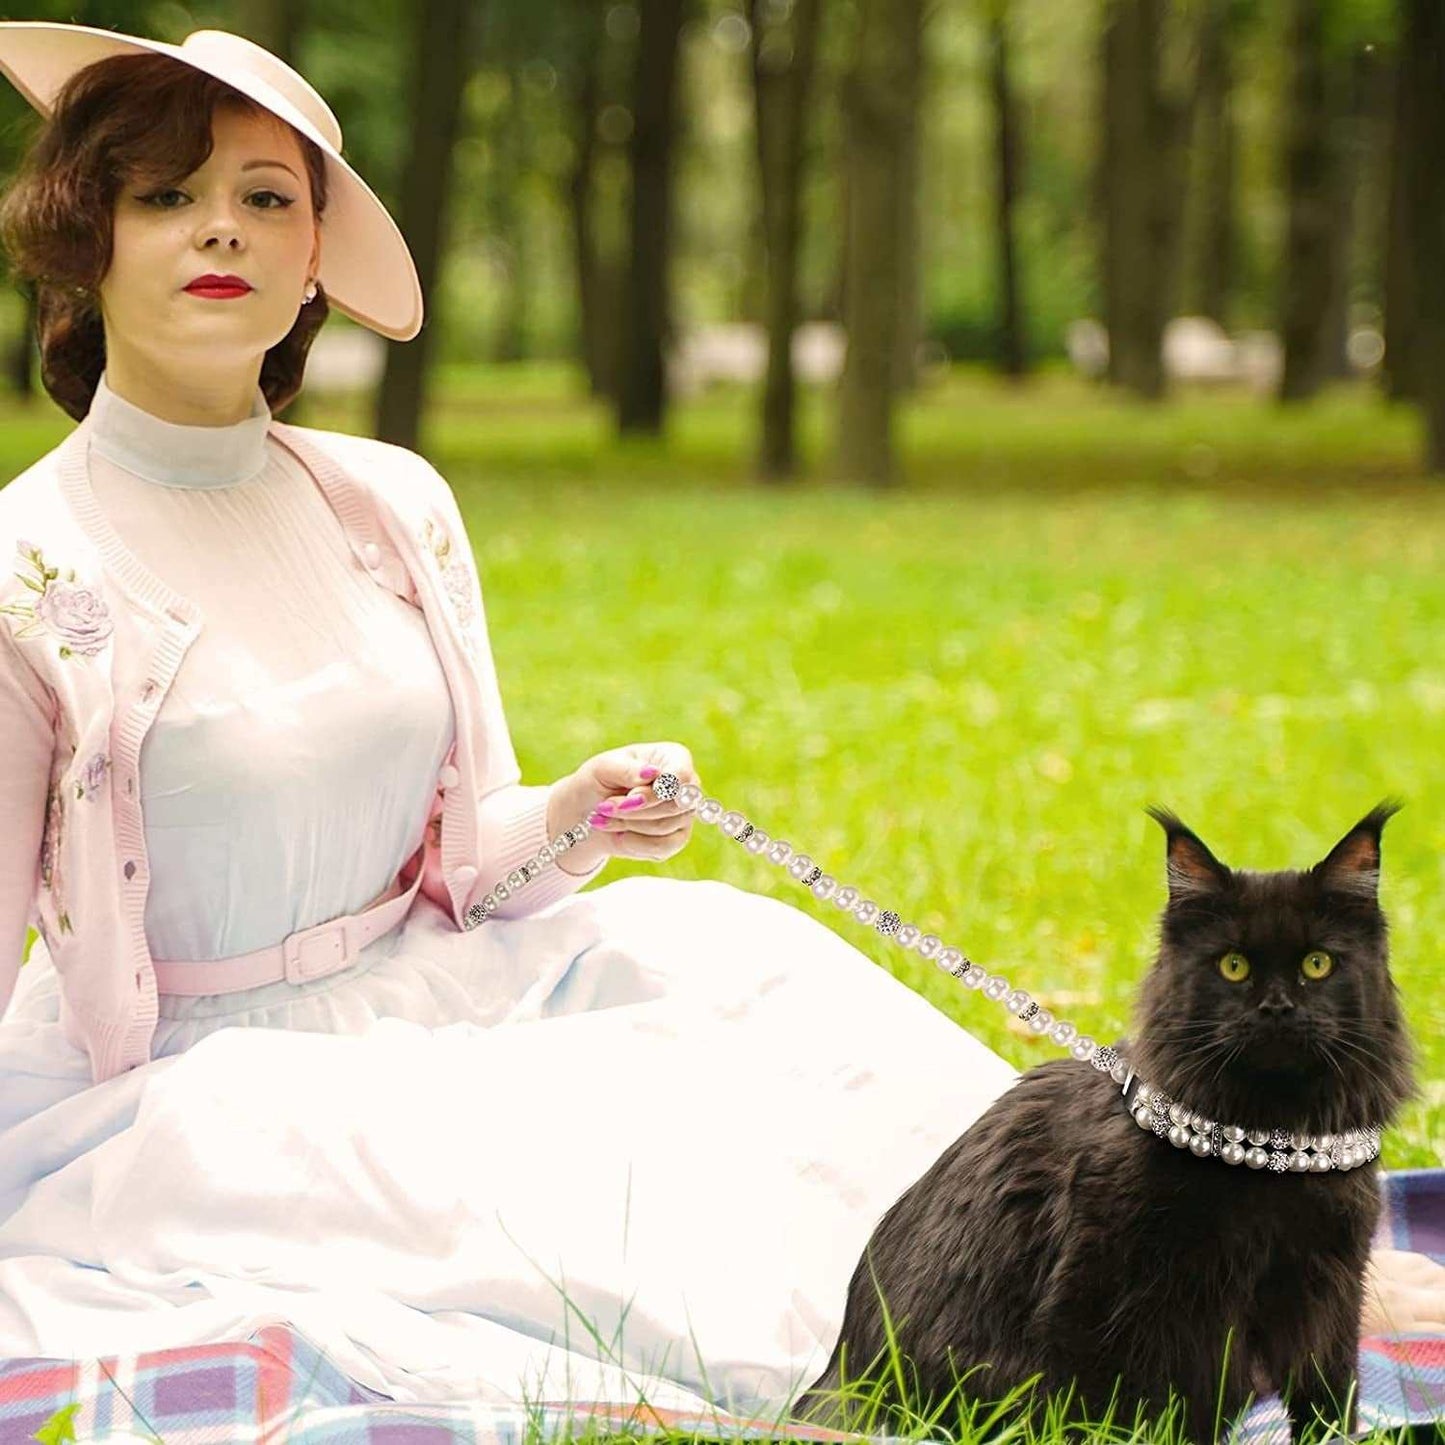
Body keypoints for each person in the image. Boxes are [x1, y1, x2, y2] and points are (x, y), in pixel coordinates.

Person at [0, 18, 1435, 1423]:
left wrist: (577, 813)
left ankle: (1188, 1245)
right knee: (550, 1160)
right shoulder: (31, 562)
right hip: (210, 1069)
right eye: (165, 196)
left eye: (265, 199)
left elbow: (469, 851)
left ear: (315, 256)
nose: (222, 234)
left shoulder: (389, 503)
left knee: (753, 969)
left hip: (447, 974)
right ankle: (857, 1361)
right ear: (85, 232)